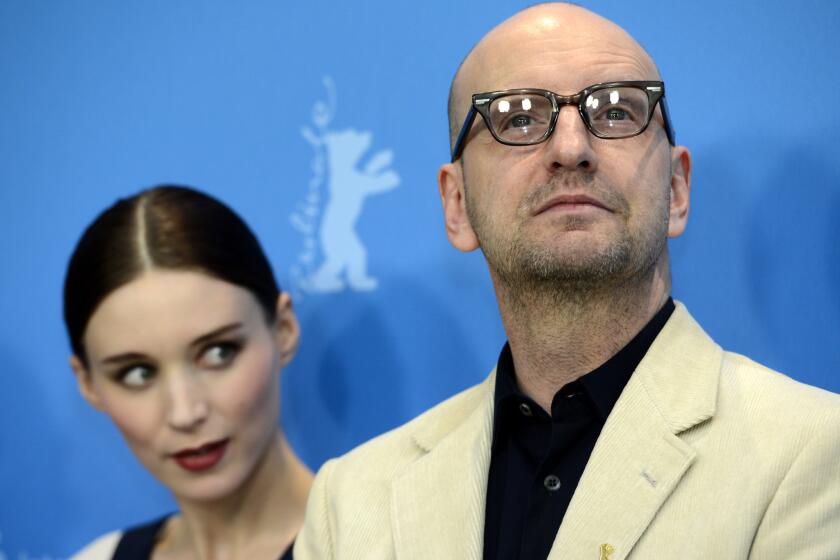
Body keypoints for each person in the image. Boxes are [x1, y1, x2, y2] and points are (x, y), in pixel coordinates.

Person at [294, 4, 840, 559]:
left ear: (677, 190)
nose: (571, 149)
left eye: (617, 112)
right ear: (456, 204)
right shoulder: (350, 502)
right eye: (519, 118)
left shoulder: (813, 451)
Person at [65, 185, 312, 559]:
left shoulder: (392, 546)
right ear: (88, 384)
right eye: (137, 374)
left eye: (218, 352)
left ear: (283, 331)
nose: (185, 413)